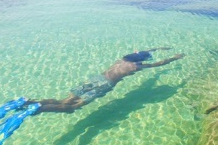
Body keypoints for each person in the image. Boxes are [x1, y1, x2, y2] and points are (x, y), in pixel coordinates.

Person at [25, 47, 184, 114]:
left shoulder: (123, 59)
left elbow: (141, 52)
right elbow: (159, 63)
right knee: (73, 107)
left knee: (66, 100)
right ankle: (41, 110)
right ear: (141, 60)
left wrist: (158, 48)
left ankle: (36, 103)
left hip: (95, 79)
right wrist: (174, 58)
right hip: (104, 85)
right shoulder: (136, 67)